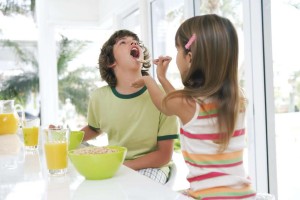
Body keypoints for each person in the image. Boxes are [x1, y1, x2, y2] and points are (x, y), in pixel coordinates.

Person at [131, 14, 256, 199]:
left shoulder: (187, 103)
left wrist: (149, 79)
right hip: (244, 194)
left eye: (178, 49)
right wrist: (163, 79)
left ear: (189, 57)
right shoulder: (237, 99)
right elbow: (178, 102)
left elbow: (165, 104)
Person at [80, 29, 179, 184]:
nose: (133, 43)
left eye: (135, 42)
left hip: (152, 168)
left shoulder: (162, 96)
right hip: (116, 163)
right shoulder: (99, 97)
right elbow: (94, 128)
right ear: (111, 62)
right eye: (123, 42)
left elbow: (164, 155)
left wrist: (123, 167)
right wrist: (64, 139)